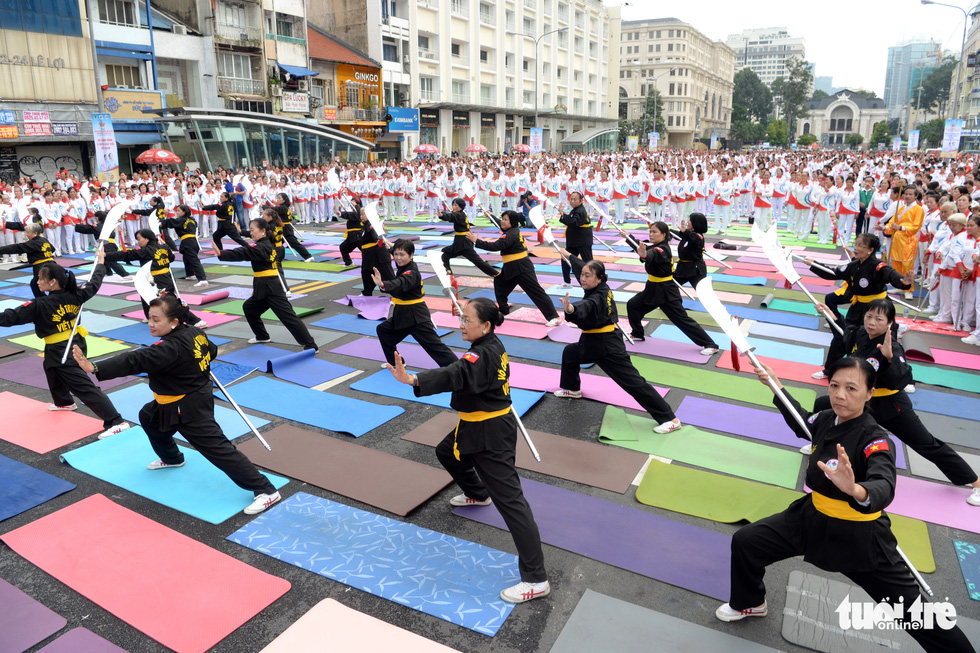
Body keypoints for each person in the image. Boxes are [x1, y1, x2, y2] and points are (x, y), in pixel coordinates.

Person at [716, 357, 976, 653]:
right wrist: (776, 385)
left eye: (852, 388)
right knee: (747, 542)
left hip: (860, 537)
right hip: (811, 517)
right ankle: (750, 602)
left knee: (918, 616)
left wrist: (856, 489)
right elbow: (802, 421)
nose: (840, 394)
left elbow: (884, 483)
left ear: (869, 394)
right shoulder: (827, 417)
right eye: (835, 385)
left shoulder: (875, 438)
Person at [385, 297, 550, 604]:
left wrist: (413, 379)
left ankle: (536, 578)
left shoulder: (482, 355)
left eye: (467, 320)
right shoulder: (490, 344)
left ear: (486, 325)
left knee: (512, 503)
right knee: (446, 452)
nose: (461, 324)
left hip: (490, 434)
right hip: (474, 425)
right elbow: (460, 371)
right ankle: (477, 492)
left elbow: (456, 373)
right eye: (461, 318)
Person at [73, 295, 281, 516]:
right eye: (149, 318)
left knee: (216, 448)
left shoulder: (170, 347)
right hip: (174, 400)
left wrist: (95, 367)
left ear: (173, 322)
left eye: (156, 319)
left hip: (190, 406)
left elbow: (137, 359)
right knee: (149, 418)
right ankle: (172, 458)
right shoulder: (194, 331)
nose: (150, 324)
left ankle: (266, 490)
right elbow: (210, 350)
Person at [810, 298, 980, 503]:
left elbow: (904, 378)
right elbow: (844, 333)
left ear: (890, 323)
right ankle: (817, 444)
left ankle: (975, 482)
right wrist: (832, 314)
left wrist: (889, 358)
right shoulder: (862, 334)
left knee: (926, 443)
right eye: (869, 316)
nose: (871, 322)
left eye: (878, 319)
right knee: (823, 406)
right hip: (861, 402)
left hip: (890, 406)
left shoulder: (894, 348)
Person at [0, 253, 131, 440]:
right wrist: (100, 264)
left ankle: (116, 421)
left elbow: (11, 316)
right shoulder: (77, 294)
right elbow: (94, 282)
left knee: (83, 386)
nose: (37, 281)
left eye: (41, 278)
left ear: (53, 282)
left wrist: (101, 264)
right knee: (51, 368)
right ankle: (64, 402)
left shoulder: (41, 304)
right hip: (75, 342)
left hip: (64, 350)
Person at [553, 255, 682, 434]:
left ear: (599, 278)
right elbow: (579, 266)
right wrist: (567, 254)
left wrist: (571, 309)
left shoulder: (598, 296)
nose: (582, 278)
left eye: (587, 275)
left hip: (606, 346)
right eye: (582, 275)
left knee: (633, 383)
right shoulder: (598, 285)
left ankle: (670, 418)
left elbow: (587, 305)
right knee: (570, 353)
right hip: (591, 342)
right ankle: (572, 389)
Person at [807, 233, 912, 380]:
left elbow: (890, 274)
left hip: (879, 309)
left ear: (870, 250)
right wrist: (814, 264)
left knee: (889, 343)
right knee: (842, 337)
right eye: (855, 244)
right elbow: (833, 273)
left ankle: (904, 379)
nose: (855, 248)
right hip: (858, 308)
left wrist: (904, 282)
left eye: (860, 246)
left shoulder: (878, 266)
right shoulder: (854, 265)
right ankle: (829, 370)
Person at [217, 217, 317, 349]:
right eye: (250, 230)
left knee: (288, 317)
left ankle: (310, 344)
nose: (251, 233)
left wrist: (222, 254)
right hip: (263, 287)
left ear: (263, 231)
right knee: (249, 308)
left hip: (271, 288)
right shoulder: (268, 245)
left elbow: (244, 252)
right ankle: (262, 336)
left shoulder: (261, 247)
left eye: (253, 230)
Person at [625, 221, 719, 354]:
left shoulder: (662, 249)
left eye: (654, 232)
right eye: (650, 231)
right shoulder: (655, 246)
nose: (651, 234)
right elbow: (644, 249)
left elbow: (650, 254)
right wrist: (628, 237)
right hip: (652, 289)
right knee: (633, 305)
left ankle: (711, 344)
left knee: (682, 320)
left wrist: (644, 255)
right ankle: (637, 333)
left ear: (663, 234)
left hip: (666, 291)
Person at [372, 238, 457, 368]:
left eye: (402, 255)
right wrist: (390, 246)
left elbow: (400, 283)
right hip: (402, 314)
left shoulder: (411, 272)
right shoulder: (405, 264)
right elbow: (396, 252)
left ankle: (458, 369)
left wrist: (383, 284)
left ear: (411, 255)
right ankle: (397, 362)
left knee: (435, 347)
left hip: (416, 316)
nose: (398, 258)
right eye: (396, 254)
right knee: (383, 331)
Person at [467, 210, 561, 326]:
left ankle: (554, 317)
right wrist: (491, 216)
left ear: (513, 222)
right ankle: (503, 310)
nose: (503, 221)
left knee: (536, 292)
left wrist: (477, 241)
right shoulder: (511, 230)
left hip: (521, 268)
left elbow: (496, 246)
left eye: (506, 220)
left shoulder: (511, 234)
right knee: (500, 285)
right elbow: (499, 224)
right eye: (503, 219)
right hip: (511, 268)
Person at [439, 197, 499, 278]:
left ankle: (497, 274)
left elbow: (451, 217)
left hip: (464, 243)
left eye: (455, 205)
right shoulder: (460, 214)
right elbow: (452, 216)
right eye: (453, 204)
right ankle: (448, 272)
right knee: (444, 253)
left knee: (478, 262)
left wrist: (442, 215)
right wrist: (447, 213)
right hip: (459, 242)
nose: (453, 206)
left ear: (460, 206)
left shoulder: (460, 215)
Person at [0, 221, 54, 297]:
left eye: (28, 233)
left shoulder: (33, 243)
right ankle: (48, 298)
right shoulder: (43, 240)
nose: (26, 234)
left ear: (35, 233)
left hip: (41, 266)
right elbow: (52, 249)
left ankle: (43, 300)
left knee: (36, 284)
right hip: (51, 263)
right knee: (45, 283)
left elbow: (17, 248)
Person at [160, 204, 208, 287]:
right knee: (186, 258)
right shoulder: (192, 219)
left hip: (188, 242)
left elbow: (172, 222)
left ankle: (203, 279)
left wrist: (161, 223)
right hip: (193, 241)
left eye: (179, 210)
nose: (177, 212)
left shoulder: (181, 220)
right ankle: (190, 274)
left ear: (184, 212)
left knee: (194, 260)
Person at [73, 210, 130, 278]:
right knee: (103, 258)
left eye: (96, 218)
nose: (96, 220)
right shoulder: (108, 224)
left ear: (99, 218)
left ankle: (125, 274)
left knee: (111, 260)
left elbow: (89, 228)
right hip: (110, 244)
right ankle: (108, 271)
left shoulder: (100, 226)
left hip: (107, 245)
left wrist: (76, 226)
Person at [557, 191, 593, 288]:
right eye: (571, 199)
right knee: (564, 258)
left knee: (588, 262)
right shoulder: (576, 209)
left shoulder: (580, 210)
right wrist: (564, 215)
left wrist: (562, 214)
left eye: (575, 199)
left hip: (582, 240)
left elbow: (573, 222)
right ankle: (567, 282)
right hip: (575, 240)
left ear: (581, 201)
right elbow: (572, 219)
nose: (572, 201)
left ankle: (594, 281)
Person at [269, 193, 314, 261]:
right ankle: (276, 257)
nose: (277, 199)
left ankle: (308, 256)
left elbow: (273, 209)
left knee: (294, 243)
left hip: (285, 228)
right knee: (276, 242)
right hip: (282, 227)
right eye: (277, 198)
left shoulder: (283, 207)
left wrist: (264, 206)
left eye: (279, 198)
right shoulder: (283, 207)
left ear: (284, 200)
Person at [674, 212, 709, 288]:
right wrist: (664, 230)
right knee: (670, 288)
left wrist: (685, 232)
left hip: (696, 270)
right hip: (682, 268)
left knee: (704, 293)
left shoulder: (699, 237)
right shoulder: (688, 234)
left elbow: (693, 238)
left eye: (690, 220)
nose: (688, 222)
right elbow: (677, 235)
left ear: (695, 223)